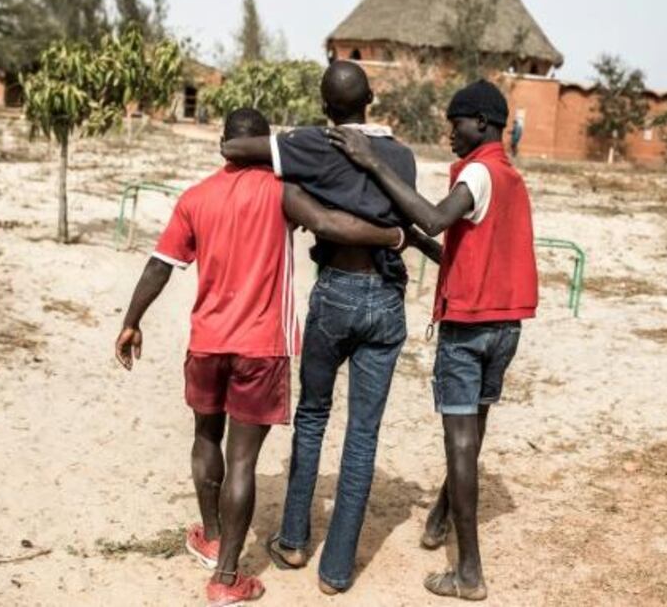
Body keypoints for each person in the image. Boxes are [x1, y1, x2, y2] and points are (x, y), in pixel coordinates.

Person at [114, 108, 405, 607]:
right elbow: (331, 223)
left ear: (225, 145)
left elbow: (159, 265)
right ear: (265, 144)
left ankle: (209, 537)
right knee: (242, 458)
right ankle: (227, 577)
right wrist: (393, 237)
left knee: (206, 436)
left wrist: (131, 321)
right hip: (261, 346)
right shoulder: (282, 191)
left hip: (206, 342)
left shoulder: (196, 197)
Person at [326, 80, 538, 601]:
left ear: (483, 124)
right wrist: (412, 239)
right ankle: (441, 514)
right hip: (505, 326)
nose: (449, 132)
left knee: (461, 442)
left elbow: (436, 219)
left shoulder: (482, 171)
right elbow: (462, 247)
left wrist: (372, 161)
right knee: (474, 430)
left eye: (456, 122)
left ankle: (467, 574)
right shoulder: (509, 176)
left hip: (468, 330)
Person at [220, 61, 418, 594]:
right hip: (387, 297)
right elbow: (399, 214)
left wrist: (295, 168)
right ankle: (336, 572)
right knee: (363, 433)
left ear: (326, 106)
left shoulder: (316, 143)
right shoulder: (402, 156)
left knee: (312, 415)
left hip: (335, 291)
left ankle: (293, 540)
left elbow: (236, 150)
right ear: (371, 98)